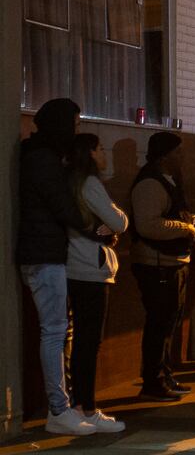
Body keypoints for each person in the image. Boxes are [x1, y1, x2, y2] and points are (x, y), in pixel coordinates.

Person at [17, 99, 95, 435]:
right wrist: (94, 229)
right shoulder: (44, 160)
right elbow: (62, 206)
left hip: (43, 252)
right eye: (75, 123)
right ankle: (59, 409)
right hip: (44, 255)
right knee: (54, 331)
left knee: (59, 330)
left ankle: (63, 407)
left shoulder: (37, 155)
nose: (77, 129)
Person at [130, 131, 195, 402]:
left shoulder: (169, 181)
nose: (182, 157)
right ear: (164, 155)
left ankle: (164, 374)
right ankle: (153, 381)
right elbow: (148, 224)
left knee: (168, 322)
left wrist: (189, 220)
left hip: (172, 261)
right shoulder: (150, 184)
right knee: (159, 323)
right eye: (178, 152)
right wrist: (185, 228)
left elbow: (172, 212)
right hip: (156, 263)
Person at [65, 133, 128, 433]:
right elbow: (120, 222)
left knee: (79, 340)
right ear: (91, 153)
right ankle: (86, 406)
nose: (104, 154)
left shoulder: (70, 182)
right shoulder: (89, 184)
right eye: (101, 149)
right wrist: (110, 224)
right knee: (89, 341)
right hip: (91, 268)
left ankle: (80, 404)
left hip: (75, 266)